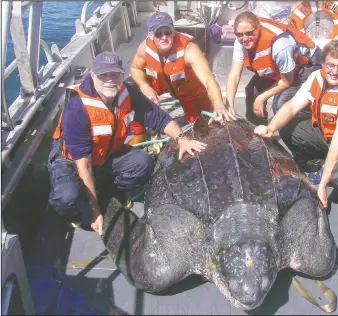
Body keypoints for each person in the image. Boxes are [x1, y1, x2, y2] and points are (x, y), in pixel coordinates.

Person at [48, 52, 207, 236]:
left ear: (122, 75)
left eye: (114, 74)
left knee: (143, 163)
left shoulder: (126, 92)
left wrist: (182, 139)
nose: (109, 80)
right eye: (103, 75)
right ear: (92, 76)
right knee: (67, 197)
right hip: (72, 161)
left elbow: (159, 118)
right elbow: (84, 164)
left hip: (106, 153)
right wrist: (94, 210)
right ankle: (75, 212)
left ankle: (110, 189)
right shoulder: (78, 108)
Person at [254, 39, 338, 208]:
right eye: (330, 65)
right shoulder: (317, 78)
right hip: (329, 135)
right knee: (288, 126)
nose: (334, 71)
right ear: (322, 64)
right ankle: (322, 164)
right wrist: (270, 128)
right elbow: (292, 106)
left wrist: (322, 187)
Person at [130, 12, 234, 123]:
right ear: (151, 35)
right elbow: (135, 69)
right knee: (132, 88)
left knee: (202, 122)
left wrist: (218, 104)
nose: (164, 38)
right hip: (160, 85)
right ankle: (140, 130)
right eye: (158, 34)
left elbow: (208, 80)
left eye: (168, 32)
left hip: (189, 91)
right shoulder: (145, 48)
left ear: (173, 32)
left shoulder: (189, 50)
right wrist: (145, 87)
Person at [226, 11, 321, 126]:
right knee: (252, 92)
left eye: (249, 33)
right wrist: (229, 105)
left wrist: (262, 98)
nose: (244, 38)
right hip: (280, 67)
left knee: (281, 104)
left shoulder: (280, 45)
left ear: (258, 28)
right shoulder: (240, 40)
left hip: (306, 64)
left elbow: (287, 81)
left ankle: (301, 131)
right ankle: (257, 132)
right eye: (239, 34)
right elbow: (234, 75)